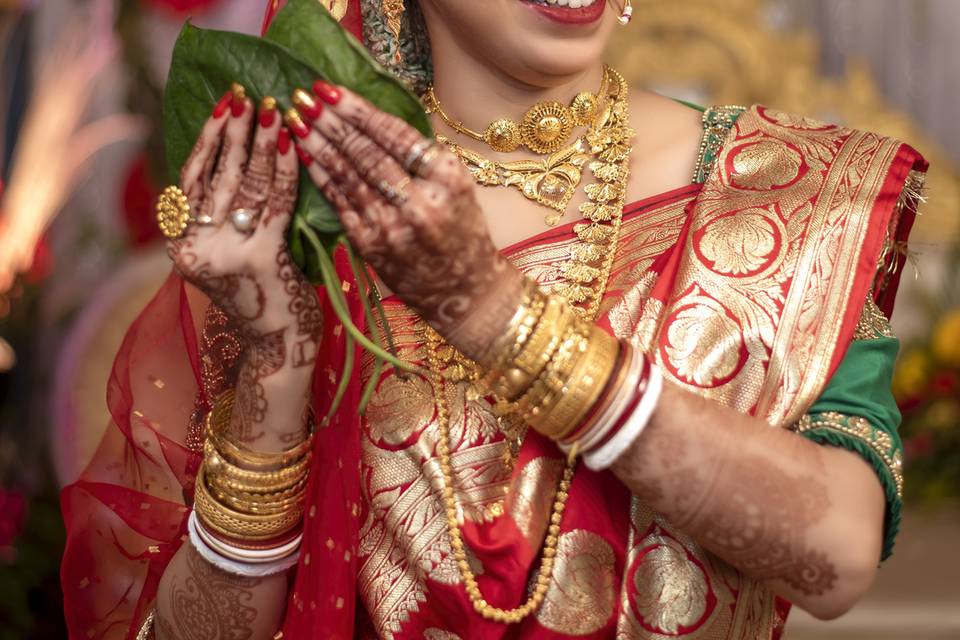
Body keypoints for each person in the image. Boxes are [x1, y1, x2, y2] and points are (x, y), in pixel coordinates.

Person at [60, 1, 928, 638]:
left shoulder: (780, 196)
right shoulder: (301, 217)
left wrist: (487, 310)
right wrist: (278, 363)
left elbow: (837, 556)